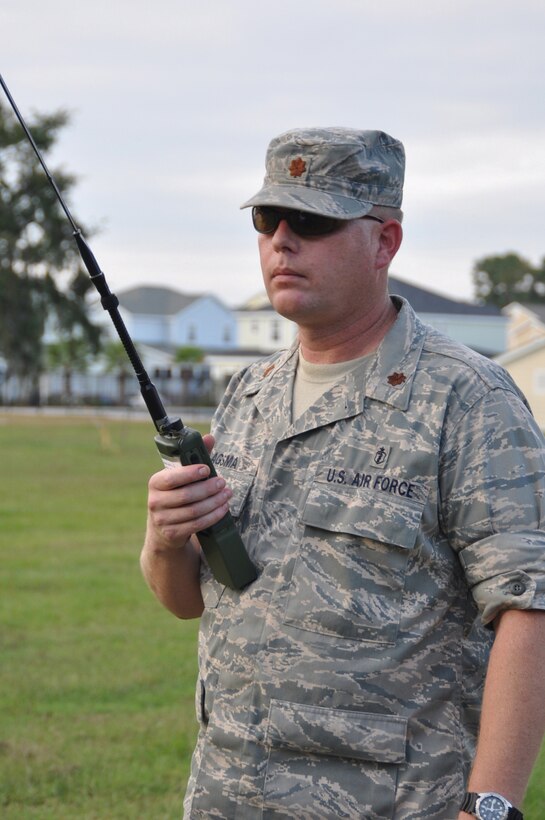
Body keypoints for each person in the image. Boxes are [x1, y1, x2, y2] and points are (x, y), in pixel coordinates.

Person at [141, 128, 545, 819]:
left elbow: (529, 607)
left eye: (314, 221)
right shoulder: (248, 393)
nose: (282, 242)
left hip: (391, 800)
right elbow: (188, 601)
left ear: (384, 242)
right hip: (229, 791)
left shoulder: (465, 397)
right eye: (268, 220)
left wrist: (490, 806)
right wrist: (164, 538)